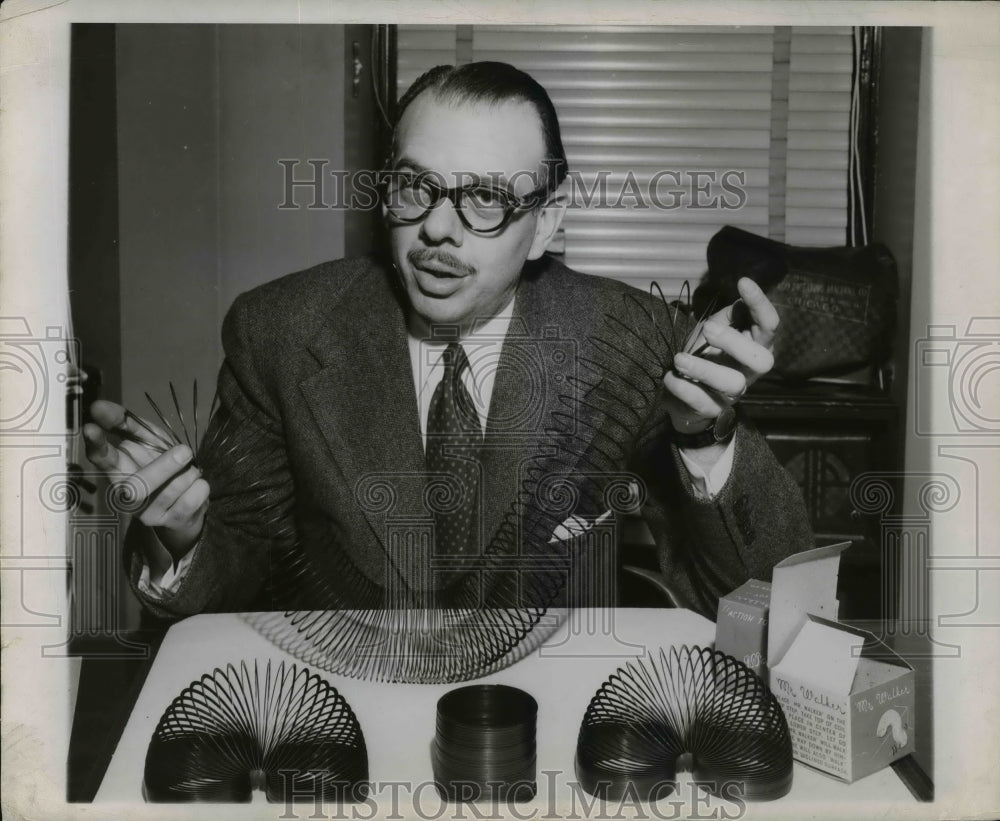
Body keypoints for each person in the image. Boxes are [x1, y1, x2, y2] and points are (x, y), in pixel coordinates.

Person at [84, 61, 812, 619]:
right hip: (353, 710)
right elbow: (239, 561)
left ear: (549, 222)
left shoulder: (629, 338)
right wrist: (180, 538)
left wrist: (704, 440)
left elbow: (760, 594)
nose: (438, 227)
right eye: (414, 187)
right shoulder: (280, 331)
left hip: (543, 728)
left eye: (487, 198)